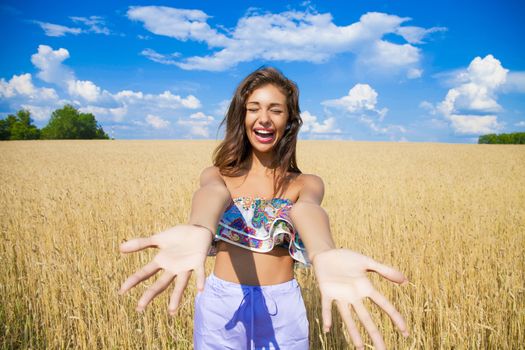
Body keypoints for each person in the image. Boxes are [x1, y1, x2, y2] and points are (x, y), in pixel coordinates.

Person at [118, 66, 409, 350]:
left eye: (276, 109)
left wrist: (324, 252)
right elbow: (212, 194)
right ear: (241, 116)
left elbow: (307, 210)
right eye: (254, 108)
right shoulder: (217, 175)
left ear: (290, 120)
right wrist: (199, 227)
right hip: (221, 304)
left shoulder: (305, 183)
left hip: (282, 306)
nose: (264, 118)